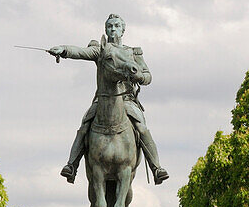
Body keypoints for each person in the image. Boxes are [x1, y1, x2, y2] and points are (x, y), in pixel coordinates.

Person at [50, 14, 169, 185]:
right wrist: (64, 49)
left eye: (116, 26)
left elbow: (147, 75)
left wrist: (139, 78)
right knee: (85, 125)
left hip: (126, 100)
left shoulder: (132, 52)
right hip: (103, 99)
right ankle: (71, 165)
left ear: (123, 30)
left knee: (141, 127)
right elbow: (81, 52)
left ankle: (156, 167)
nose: (113, 29)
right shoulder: (101, 50)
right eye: (109, 26)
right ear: (105, 29)